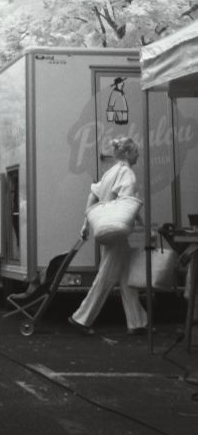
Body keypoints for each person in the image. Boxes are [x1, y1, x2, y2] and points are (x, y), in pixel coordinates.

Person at [68, 136, 148, 336]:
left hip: (106, 228)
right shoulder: (127, 174)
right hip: (119, 231)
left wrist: (86, 223)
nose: (138, 155)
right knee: (106, 277)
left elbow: (92, 194)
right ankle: (81, 318)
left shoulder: (109, 172)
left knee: (125, 276)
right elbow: (127, 203)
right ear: (128, 153)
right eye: (136, 151)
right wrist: (143, 224)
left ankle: (137, 322)